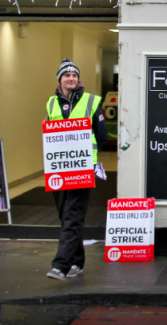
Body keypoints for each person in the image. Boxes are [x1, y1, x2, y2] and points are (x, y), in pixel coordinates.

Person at [45, 58, 109, 281]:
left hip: (82, 169)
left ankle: (60, 265)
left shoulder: (92, 101)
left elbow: (102, 136)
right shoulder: (51, 103)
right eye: (66, 75)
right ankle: (76, 261)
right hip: (59, 170)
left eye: (74, 75)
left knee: (72, 216)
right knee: (66, 217)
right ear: (60, 79)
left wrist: (86, 158)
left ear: (78, 79)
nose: (70, 78)